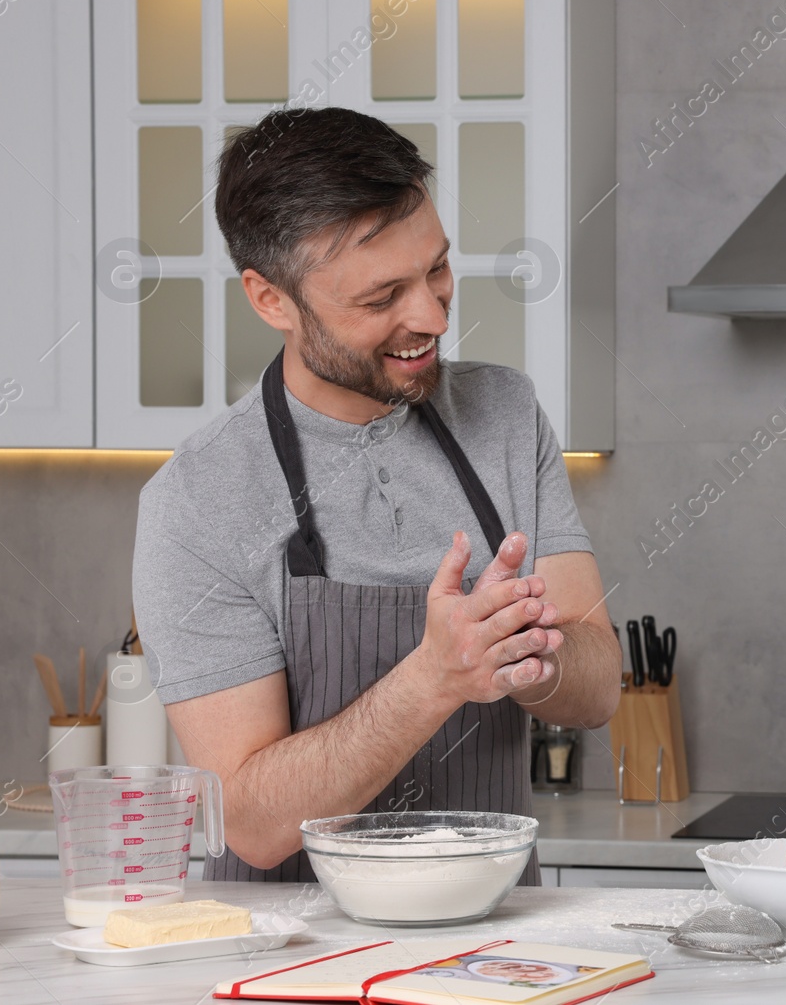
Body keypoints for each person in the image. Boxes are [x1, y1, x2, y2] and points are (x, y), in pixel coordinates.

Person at [131, 107, 620, 882]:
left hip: (487, 947)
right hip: (294, 961)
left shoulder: (504, 414)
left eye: (437, 269)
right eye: (381, 295)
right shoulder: (197, 499)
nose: (429, 316)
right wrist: (434, 677)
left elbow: (598, 687)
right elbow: (252, 822)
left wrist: (531, 658)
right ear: (271, 300)